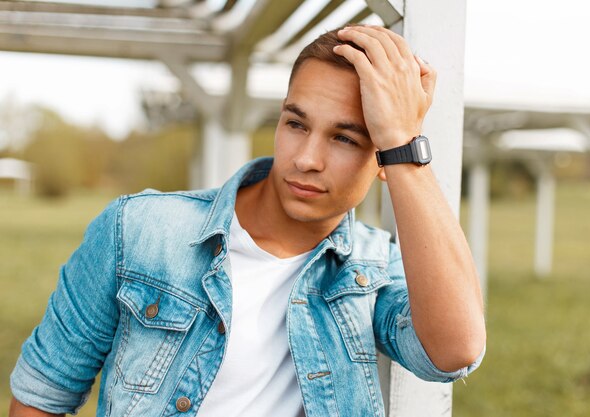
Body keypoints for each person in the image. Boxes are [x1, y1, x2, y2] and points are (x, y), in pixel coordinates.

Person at [9, 25, 485, 417]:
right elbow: (39, 397)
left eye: (345, 138)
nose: (306, 159)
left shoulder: (375, 266)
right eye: (296, 123)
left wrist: (403, 143)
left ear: (383, 157)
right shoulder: (137, 229)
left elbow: (454, 350)